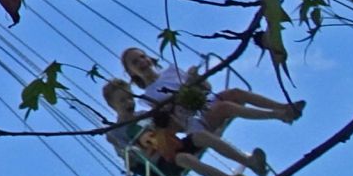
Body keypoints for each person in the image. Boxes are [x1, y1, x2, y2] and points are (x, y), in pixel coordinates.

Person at [121, 47, 301, 138]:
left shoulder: (171, 71)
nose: (142, 62)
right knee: (225, 107)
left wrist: (195, 78)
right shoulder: (147, 97)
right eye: (136, 63)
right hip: (195, 120)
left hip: (207, 101)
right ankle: (277, 115)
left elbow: (206, 88)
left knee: (236, 93)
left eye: (142, 57)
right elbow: (169, 122)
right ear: (132, 72)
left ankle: (285, 107)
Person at [100, 78, 247, 176]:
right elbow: (127, 158)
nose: (129, 103)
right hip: (162, 163)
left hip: (173, 146)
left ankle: (247, 160)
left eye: (130, 98)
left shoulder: (145, 115)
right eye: (122, 101)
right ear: (112, 105)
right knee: (185, 159)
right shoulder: (115, 133)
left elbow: (172, 128)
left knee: (201, 136)